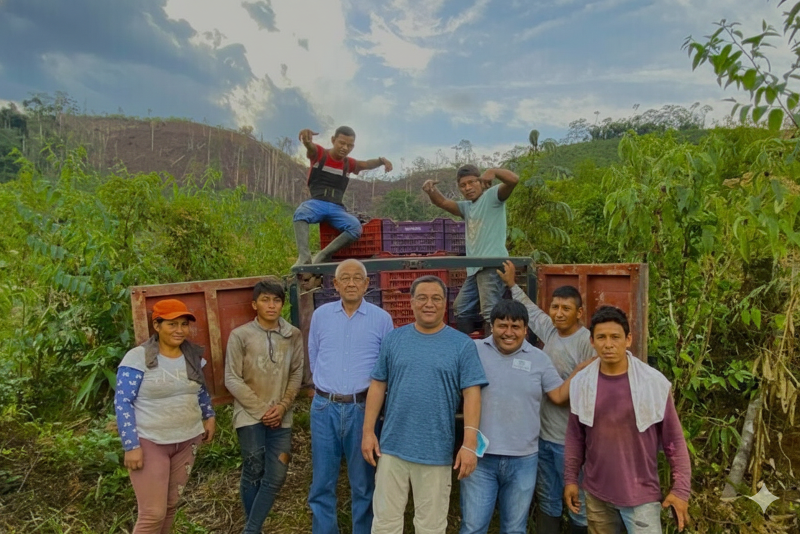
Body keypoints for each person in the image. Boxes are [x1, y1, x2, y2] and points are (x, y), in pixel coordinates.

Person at [362, 275, 489, 534]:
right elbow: (377, 386)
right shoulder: (394, 340)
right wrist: (367, 432)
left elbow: (472, 394)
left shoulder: (462, 345)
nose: (428, 304)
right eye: (422, 297)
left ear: (446, 304)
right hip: (392, 448)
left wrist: (469, 443)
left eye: (436, 298)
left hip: (436, 451)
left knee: (430, 526)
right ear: (411, 302)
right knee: (385, 523)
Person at [459, 299, 593, 534]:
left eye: (516, 327)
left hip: (523, 459)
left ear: (525, 330)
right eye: (502, 326)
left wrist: (579, 371)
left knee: (515, 529)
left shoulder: (539, 359)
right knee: (472, 527)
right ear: (492, 327)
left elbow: (559, 396)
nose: (508, 333)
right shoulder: (475, 350)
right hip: (481, 457)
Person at [564, 306, 691, 534]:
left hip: (641, 497)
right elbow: (575, 437)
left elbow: (675, 442)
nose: (608, 344)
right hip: (596, 494)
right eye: (601, 337)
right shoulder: (581, 382)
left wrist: (681, 490)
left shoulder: (653, 383)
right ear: (592, 341)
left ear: (628, 339)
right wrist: (570, 479)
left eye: (615, 337)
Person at [497, 260, 593, 534]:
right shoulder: (550, 331)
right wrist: (512, 284)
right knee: (549, 501)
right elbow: (531, 311)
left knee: (579, 503)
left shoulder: (587, 342)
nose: (558, 313)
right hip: (543, 439)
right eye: (555, 307)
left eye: (566, 309)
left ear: (579, 313)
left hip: (572, 442)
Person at [114, 298, 216, 534]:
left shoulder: (192, 355)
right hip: (151, 440)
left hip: (188, 439)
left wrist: (209, 415)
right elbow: (123, 402)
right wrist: (131, 445)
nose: (179, 330)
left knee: (170, 507)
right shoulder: (137, 358)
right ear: (157, 325)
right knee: (152, 514)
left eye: (183, 324)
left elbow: (200, 389)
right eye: (172, 324)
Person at [307, 259, 394, 534]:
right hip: (324, 407)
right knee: (322, 482)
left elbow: (386, 366)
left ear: (367, 284)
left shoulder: (381, 319)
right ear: (335, 284)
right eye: (345, 278)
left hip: (362, 409)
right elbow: (314, 355)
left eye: (358, 278)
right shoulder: (321, 315)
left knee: (363, 483)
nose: (351, 283)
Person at [224, 278, 304, 534]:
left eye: (277, 300)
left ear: (282, 304)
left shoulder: (292, 335)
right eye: (265, 300)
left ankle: (251, 529)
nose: (271, 305)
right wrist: (261, 411)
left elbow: (296, 375)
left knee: (277, 474)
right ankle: (254, 529)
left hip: (282, 415)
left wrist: (281, 408)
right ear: (254, 304)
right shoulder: (241, 335)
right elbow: (232, 379)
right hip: (249, 415)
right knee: (254, 468)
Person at [422, 164, 519, 335]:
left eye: (472, 182)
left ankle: (493, 354)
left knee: (490, 312)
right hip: (474, 269)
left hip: (491, 266)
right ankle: (467, 348)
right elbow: (442, 202)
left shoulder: (492, 197)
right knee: (462, 308)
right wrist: (431, 191)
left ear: (481, 182)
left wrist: (494, 172)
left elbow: (513, 180)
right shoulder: (467, 207)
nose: (468, 188)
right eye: (463, 185)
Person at [293, 126, 393, 266]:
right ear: (333, 140)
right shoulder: (321, 154)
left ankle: (322, 255)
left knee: (355, 227)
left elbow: (366, 164)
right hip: (317, 203)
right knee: (301, 213)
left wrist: (381, 160)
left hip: (336, 208)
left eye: (350, 145)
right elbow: (311, 148)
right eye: (342, 143)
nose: (345, 148)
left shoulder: (349, 163)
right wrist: (306, 141)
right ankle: (304, 257)